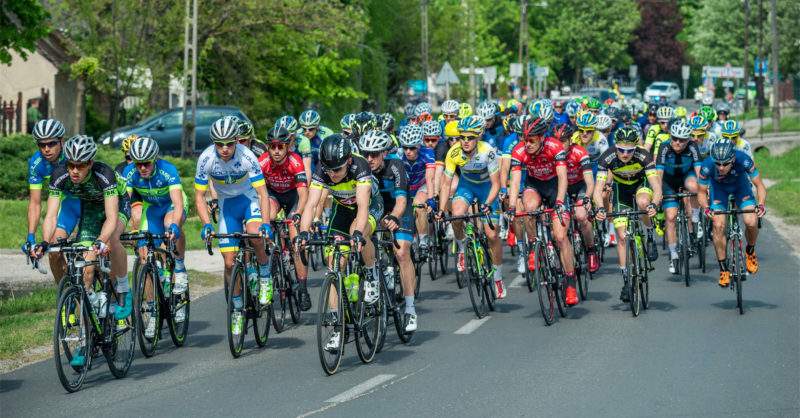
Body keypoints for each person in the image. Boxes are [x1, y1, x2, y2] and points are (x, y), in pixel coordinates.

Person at [33, 135, 131, 366]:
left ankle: (124, 292)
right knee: (71, 260)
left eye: (80, 165)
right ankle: (82, 328)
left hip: (114, 206)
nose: (75, 170)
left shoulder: (103, 174)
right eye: (71, 165)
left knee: (111, 241)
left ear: (90, 163)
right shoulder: (60, 175)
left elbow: (111, 217)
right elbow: (50, 215)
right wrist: (45, 242)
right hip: (88, 208)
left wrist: (101, 241)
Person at [296, 134, 384, 350]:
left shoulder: (360, 167)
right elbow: (310, 204)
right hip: (342, 208)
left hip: (368, 205)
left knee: (358, 232)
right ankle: (337, 327)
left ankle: (371, 272)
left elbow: (363, 207)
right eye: (329, 170)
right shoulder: (323, 170)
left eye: (338, 170)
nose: (333, 175)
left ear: (349, 162)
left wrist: (357, 235)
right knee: (334, 263)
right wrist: (304, 233)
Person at [194, 116, 274, 336]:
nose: (225, 148)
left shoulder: (247, 156)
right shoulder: (206, 158)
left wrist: (266, 223)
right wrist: (206, 224)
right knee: (229, 264)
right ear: (214, 143)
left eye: (230, 143)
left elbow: (262, 193)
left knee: (254, 234)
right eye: (220, 144)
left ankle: (265, 273)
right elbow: (199, 196)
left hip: (248, 200)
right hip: (227, 206)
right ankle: (237, 309)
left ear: (237, 140)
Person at [507, 117, 578, 305]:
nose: (527, 144)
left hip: (555, 186)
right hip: (535, 184)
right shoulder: (519, 150)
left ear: (542, 138)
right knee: (528, 208)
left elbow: (563, 178)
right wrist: (512, 207)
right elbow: (515, 182)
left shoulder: (554, 146)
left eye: (532, 140)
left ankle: (570, 282)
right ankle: (533, 246)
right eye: (525, 139)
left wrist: (561, 201)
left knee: (561, 237)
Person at [126, 136, 189, 336]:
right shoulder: (130, 173)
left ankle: (179, 268)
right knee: (145, 259)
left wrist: (176, 226)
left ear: (155, 159)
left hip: (171, 206)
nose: (142, 168)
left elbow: (178, 203)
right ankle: (153, 312)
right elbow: (122, 203)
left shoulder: (167, 169)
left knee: (169, 224)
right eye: (138, 164)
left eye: (146, 163)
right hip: (152, 209)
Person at [438, 115, 505, 298]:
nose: (465, 141)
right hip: (466, 187)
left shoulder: (487, 151)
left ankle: (498, 278)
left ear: (478, 136)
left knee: (492, 235)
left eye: (470, 137)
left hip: (487, 190)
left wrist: (488, 204)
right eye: (462, 137)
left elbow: (496, 184)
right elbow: (445, 184)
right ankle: (461, 247)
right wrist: (441, 209)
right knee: (457, 214)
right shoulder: (453, 152)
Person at [593, 127, 662, 302]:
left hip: (641, 184)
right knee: (622, 236)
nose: (625, 154)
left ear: (635, 147)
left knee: (643, 203)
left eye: (629, 150)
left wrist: (655, 204)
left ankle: (649, 232)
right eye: (621, 150)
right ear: (615, 146)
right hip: (621, 189)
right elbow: (597, 190)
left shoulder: (643, 156)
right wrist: (600, 208)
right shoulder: (607, 157)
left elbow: (657, 187)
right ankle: (626, 280)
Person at [360, 130, 418, 332]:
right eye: (366, 153)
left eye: (374, 154)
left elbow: (402, 200)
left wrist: (394, 216)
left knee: (402, 252)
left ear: (384, 153)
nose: (369, 159)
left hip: (399, 209)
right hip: (376, 210)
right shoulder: (361, 169)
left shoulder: (396, 166)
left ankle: (410, 309)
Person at [698, 140, 767, 287]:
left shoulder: (743, 159)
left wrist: (760, 204)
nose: (721, 167)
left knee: (751, 221)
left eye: (725, 163)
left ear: (733, 159)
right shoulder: (707, 165)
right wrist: (706, 208)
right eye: (718, 164)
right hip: (719, 193)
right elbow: (702, 192)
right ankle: (723, 269)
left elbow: (759, 185)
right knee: (718, 225)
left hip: (741, 189)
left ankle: (750, 250)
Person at [257, 126, 311, 311]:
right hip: (274, 195)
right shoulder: (262, 161)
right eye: (272, 147)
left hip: (294, 196)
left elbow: (304, 193)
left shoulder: (295, 161)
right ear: (268, 147)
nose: (277, 151)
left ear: (288, 146)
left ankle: (303, 288)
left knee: (297, 242)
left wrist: (298, 213)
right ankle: (274, 250)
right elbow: (258, 193)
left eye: (281, 146)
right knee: (269, 216)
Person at [25, 119, 81, 284]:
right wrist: (31, 236)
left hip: (86, 202)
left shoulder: (74, 153)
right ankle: (65, 297)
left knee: (91, 252)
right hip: (64, 206)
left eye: (51, 143)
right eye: (42, 145)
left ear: (61, 141)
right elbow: (35, 203)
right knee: (53, 251)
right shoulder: (36, 164)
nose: (46, 149)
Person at [656, 120, 703, 274]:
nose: (677, 142)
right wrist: (657, 194)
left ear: (688, 139)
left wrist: (703, 189)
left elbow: (698, 170)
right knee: (670, 217)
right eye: (674, 138)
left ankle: (695, 219)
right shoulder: (664, 147)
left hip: (686, 176)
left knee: (694, 186)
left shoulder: (692, 146)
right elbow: (659, 174)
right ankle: (674, 255)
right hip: (668, 181)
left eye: (682, 140)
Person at [554, 123, 598, 273]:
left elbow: (590, 181)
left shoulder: (580, 152)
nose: (560, 145)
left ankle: (591, 250)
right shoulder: (551, 154)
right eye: (557, 141)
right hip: (562, 189)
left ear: (570, 141)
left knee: (581, 216)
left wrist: (587, 198)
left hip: (580, 186)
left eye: (564, 141)